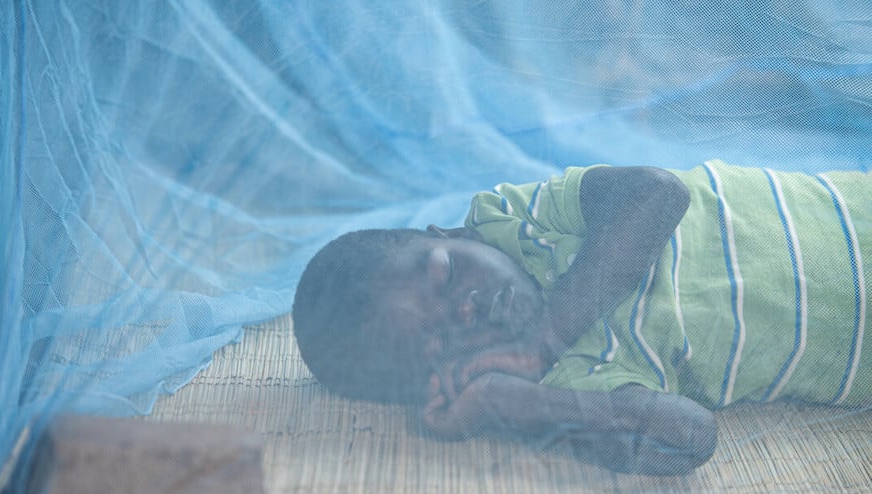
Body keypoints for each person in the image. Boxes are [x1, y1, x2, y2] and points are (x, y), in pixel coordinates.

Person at [292, 161, 870, 475]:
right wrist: (512, 405)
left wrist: (544, 338)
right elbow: (689, 436)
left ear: (447, 233)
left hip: (849, 216)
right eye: (442, 340)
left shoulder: (511, 217)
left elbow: (657, 194)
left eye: (444, 275)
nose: (465, 309)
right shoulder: (557, 382)